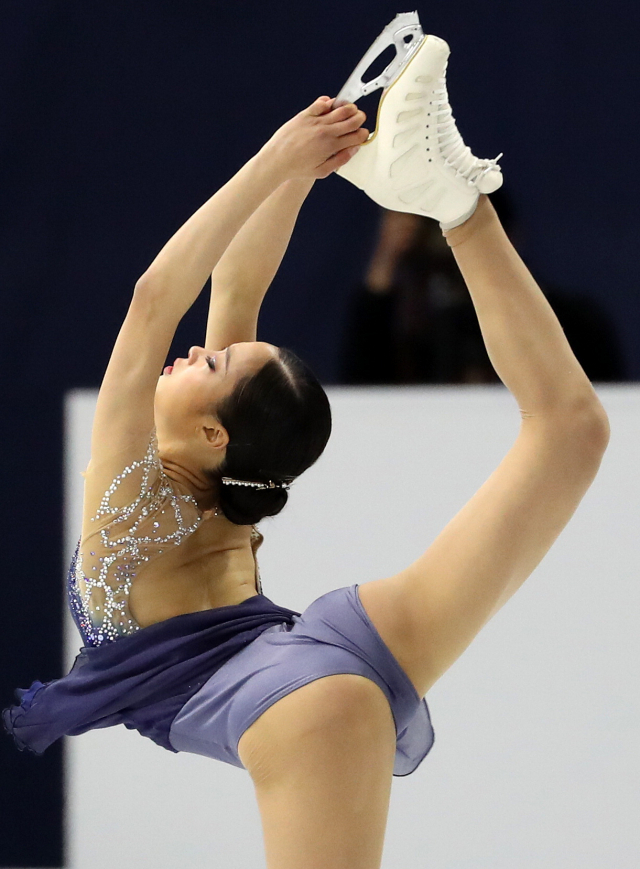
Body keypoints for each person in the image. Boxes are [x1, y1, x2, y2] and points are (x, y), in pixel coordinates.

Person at [4, 32, 610, 869]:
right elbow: (236, 287)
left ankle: (458, 203)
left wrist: (279, 162)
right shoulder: (185, 472)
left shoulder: (137, 486)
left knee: (574, 434)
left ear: (216, 432)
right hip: (302, 660)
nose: (190, 354)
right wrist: (297, 168)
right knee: (573, 431)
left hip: (290, 682)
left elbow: (154, 301)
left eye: (210, 362)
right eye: (216, 352)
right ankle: (460, 207)